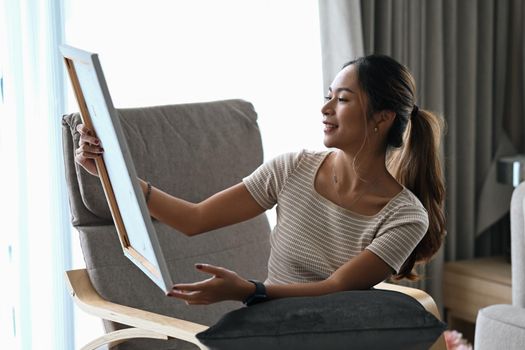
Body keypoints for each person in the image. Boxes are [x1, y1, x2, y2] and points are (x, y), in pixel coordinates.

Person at [75, 54, 446, 306]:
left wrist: (249, 291)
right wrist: (114, 172)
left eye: (343, 100)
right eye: (327, 96)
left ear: (381, 118)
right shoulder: (292, 169)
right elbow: (194, 219)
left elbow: (336, 290)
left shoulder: (406, 217)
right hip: (271, 325)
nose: (325, 108)